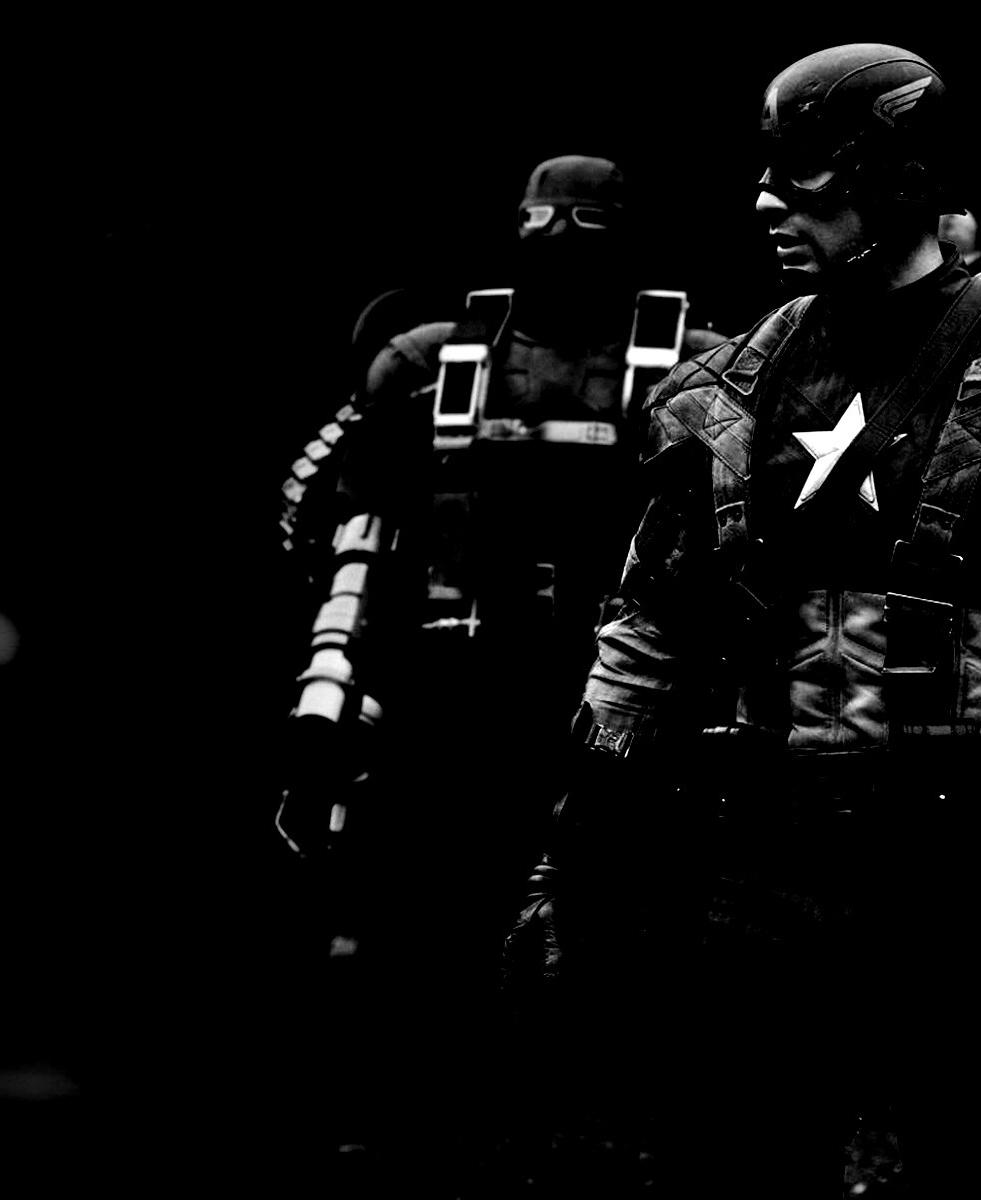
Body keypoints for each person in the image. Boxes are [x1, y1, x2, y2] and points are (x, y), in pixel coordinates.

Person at [502, 43, 981, 1199]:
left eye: (808, 173)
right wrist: (570, 861)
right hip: (755, 877)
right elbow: (648, 641)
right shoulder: (719, 393)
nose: (766, 200)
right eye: (767, 169)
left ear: (902, 178)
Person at [272, 154, 725, 1191]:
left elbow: (735, 551)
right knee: (420, 922)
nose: (562, 248)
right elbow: (356, 529)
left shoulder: (696, 368)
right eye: (546, 226)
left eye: (582, 228)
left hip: (619, 701)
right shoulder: (432, 363)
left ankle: (589, 1137)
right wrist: (334, 685)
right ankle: (413, 1130)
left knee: (616, 931)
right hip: (456, 694)